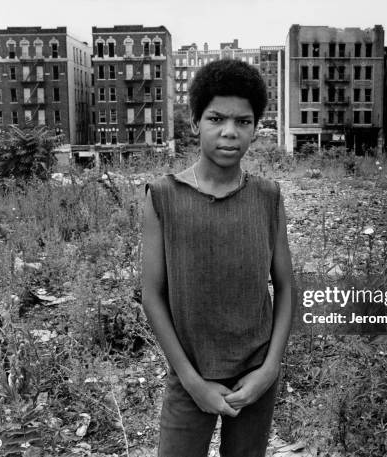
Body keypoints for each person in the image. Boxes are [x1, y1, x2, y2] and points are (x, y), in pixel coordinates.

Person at [142, 58, 293, 457]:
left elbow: (287, 287)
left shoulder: (267, 197)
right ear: (195, 122)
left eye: (243, 122)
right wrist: (192, 381)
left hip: (255, 377)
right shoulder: (163, 196)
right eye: (216, 118)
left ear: (256, 129)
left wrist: (270, 368)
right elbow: (151, 295)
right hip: (190, 374)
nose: (229, 132)